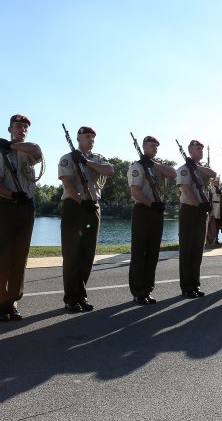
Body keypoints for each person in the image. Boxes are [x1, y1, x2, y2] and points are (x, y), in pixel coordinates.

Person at [0, 114, 43, 321]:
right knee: (3, 256)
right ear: (10, 129)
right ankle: (0, 304)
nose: (22, 129)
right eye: (18, 126)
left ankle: (13, 301)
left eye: (25, 127)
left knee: (20, 257)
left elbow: (37, 150)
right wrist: (12, 194)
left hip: (26, 207)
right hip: (8, 206)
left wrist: (12, 146)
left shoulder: (27, 152)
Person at [58, 126, 114, 312]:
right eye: (87, 136)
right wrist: (82, 201)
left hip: (93, 207)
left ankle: (81, 295)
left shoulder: (96, 158)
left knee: (87, 254)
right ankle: (71, 298)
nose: (90, 139)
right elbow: (68, 183)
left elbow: (109, 171)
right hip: (75, 207)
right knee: (73, 254)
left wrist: (87, 162)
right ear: (78, 138)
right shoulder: (67, 158)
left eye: (92, 137)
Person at [127, 135, 176, 304]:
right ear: (143, 147)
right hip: (143, 209)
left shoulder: (158, 166)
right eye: (151, 145)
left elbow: (173, 173)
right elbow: (135, 191)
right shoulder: (137, 166)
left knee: (153, 251)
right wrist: (150, 204)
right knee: (139, 251)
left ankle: (148, 288)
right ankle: (138, 290)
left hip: (157, 211)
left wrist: (154, 164)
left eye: (156, 145)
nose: (155, 148)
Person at [176, 139, 216, 298]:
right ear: (190, 150)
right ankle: (186, 286)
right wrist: (199, 204)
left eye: (201, 148)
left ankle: (195, 284)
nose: (200, 151)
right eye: (197, 148)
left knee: (198, 249)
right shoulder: (183, 169)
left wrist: (197, 166)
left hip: (202, 211)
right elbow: (186, 189)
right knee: (188, 249)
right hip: (190, 209)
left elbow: (213, 174)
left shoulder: (201, 169)